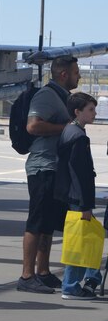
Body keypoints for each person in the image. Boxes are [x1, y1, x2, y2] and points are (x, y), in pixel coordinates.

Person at [18, 55, 80, 294]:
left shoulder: (62, 97)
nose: (79, 76)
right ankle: (26, 275)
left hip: (54, 167)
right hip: (42, 166)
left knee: (48, 222)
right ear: (63, 74)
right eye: (76, 72)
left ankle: (42, 271)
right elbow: (33, 126)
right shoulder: (46, 96)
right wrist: (67, 127)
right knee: (36, 221)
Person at [56, 92, 103, 300]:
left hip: (71, 196)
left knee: (86, 237)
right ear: (78, 112)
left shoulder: (70, 131)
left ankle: (92, 276)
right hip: (78, 198)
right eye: (90, 109)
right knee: (80, 241)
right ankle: (71, 285)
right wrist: (86, 204)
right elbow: (80, 174)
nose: (94, 113)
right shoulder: (79, 137)